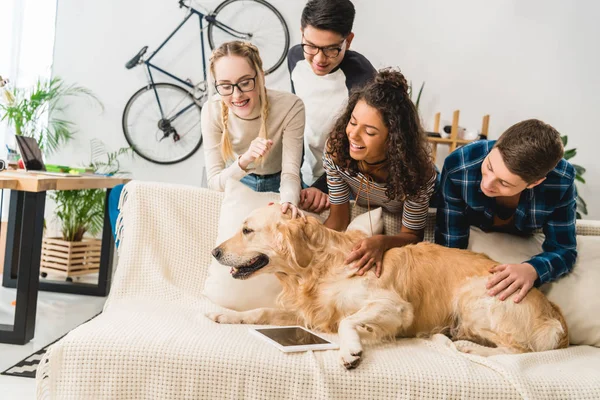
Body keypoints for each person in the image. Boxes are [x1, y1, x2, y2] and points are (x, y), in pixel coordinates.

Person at [435, 119, 577, 303]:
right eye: (489, 167)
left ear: (535, 182)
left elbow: (564, 248)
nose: (487, 184)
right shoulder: (460, 165)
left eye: (503, 183)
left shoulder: (560, 181)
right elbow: (450, 246)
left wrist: (532, 270)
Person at [323, 68, 437, 277]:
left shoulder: (419, 174)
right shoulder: (336, 150)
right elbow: (337, 220)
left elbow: (412, 235)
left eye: (369, 132)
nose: (353, 135)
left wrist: (382, 242)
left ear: (394, 140)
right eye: (353, 122)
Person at [288, 0, 376, 213]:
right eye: (310, 45)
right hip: (304, 179)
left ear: (349, 40)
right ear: (302, 33)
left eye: (331, 49)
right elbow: (297, 121)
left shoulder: (364, 79)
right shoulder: (295, 58)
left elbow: (365, 148)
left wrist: (324, 186)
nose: (319, 58)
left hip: (346, 187)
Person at [202, 41, 306, 218]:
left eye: (245, 82)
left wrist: (288, 201)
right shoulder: (211, 110)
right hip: (236, 182)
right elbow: (214, 182)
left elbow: (290, 173)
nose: (237, 95)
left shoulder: (291, 106)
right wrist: (245, 160)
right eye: (226, 86)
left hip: (282, 183)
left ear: (260, 76)